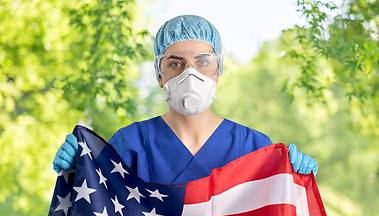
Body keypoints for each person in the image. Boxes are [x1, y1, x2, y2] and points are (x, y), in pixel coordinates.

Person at [53, 15, 317, 185]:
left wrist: (296, 179)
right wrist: (79, 171)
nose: (190, 73)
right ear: (159, 75)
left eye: (203, 62)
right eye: (176, 63)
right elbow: (101, 211)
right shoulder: (131, 144)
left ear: (218, 72)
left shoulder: (254, 147)